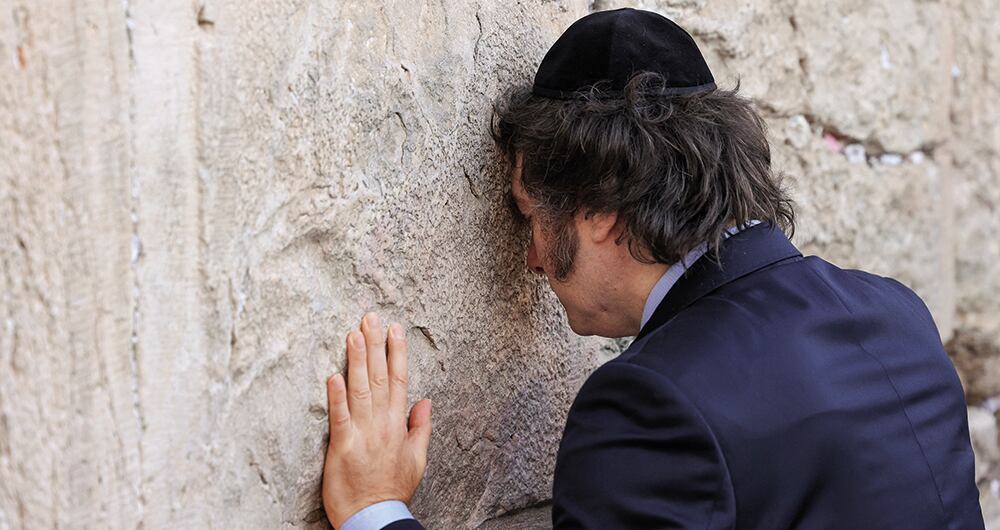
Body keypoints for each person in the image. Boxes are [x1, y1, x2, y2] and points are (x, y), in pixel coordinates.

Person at [318, 8, 985, 529]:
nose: (531, 259)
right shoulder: (896, 314)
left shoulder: (652, 406)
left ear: (600, 210)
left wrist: (375, 508)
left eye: (530, 218)